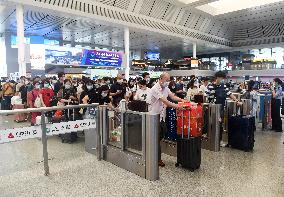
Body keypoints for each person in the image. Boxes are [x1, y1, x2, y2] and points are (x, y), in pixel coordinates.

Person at [148, 72, 185, 167]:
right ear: (161, 79)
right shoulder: (155, 89)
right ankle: (156, 159)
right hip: (153, 117)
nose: (168, 82)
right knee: (156, 139)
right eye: (166, 80)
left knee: (160, 137)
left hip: (161, 117)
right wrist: (178, 107)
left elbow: (172, 96)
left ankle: (155, 156)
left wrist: (183, 101)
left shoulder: (165, 88)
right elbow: (165, 101)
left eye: (169, 80)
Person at [207, 71, 240, 146]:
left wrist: (237, 100)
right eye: (221, 78)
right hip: (213, 108)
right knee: (212, 124)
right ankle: (212, 139)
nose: (222, 80)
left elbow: (230, 94)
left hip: (221, 108)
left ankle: (220, 140)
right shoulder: (211, 86)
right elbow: (209, 98)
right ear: (217, 78)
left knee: (220, 124)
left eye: (223, 78)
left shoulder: (223, 86)